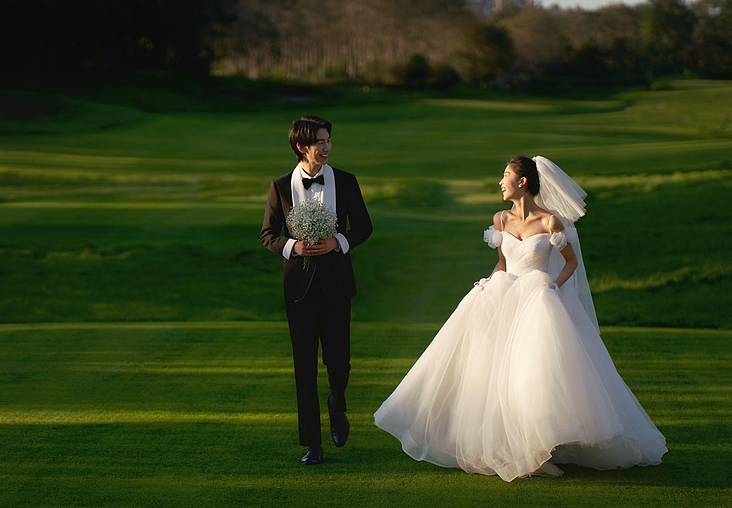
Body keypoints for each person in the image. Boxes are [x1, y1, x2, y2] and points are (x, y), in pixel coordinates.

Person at [373, 155, 666, 481]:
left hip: (538, 299)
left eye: (506, 175)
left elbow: (571, 263)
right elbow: (503, 262)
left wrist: (553, 286)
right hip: (504, 295)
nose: (501, 182)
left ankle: (540, 447)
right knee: (492, 370)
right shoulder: (501, 220)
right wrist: (489, 283)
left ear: (522, 181)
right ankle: (512, 447)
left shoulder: (551, 222)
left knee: (534, 371)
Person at [261, 115, 374, 465]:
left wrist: (337, 242)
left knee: (339, 365)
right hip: (298, 291)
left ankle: (337, 404)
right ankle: (312, 443)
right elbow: (267, 235)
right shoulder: (280, 186)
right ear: (301, 147)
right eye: (320, 143)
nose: (327, 148)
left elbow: (365, 227)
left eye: (328, 141)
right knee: (303, 368)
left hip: (337, 288)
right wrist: (291, 247)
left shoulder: (346, 181)